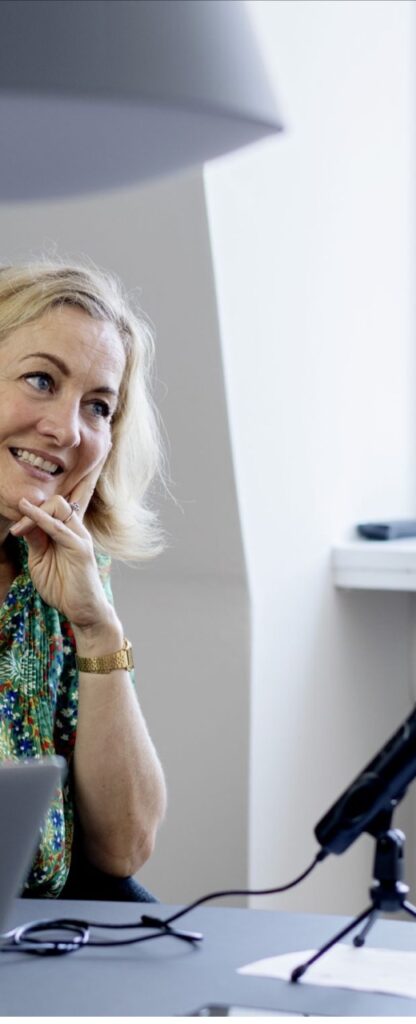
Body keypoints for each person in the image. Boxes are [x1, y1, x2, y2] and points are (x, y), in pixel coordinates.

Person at [0, 260, 167, 901]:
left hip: (36, 948)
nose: (67, 430)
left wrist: (98, 629)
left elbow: (123, 848)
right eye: (41, 380)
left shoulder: (62, 573)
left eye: (98, 407)